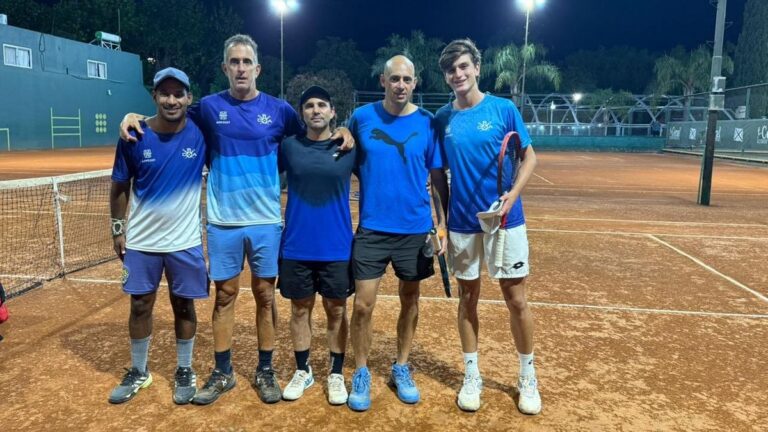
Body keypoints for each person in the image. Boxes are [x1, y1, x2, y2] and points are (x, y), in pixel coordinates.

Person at [120, 34, 353, 406]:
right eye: (235, 62)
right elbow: (168, 114)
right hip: (223, 222)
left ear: (257, 68)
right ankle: (223, 371)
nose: (241, 68)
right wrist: (134, 116)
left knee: (265, 296)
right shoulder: (208, 108)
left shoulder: (279, 111)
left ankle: (265, 370)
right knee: (225, 296)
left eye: (247, 62)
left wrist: (342, 130)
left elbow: (315, 135)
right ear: (225, 68)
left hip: (265, 222)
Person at [435, 39, 541, 415]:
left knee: (516, 299)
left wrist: (512, 195)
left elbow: (528, 157)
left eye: (464, 66)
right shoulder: (442, 119)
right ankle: (471, 374)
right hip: (463, 224)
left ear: (477, 68)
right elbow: (438, 179)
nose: (458, 75)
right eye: (451, 70)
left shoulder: (503, 109)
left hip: (506, 221)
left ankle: (527, 375)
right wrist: (443, 225)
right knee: (467, 299)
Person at [346, 55, 448, 412]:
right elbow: (344, 156)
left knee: (411, 301)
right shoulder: (361, 118)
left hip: (415, 229)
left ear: (415, 83)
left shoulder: (428, 122)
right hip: (373, 228)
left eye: (407, 79)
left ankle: (401, 366)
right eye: (394, 79)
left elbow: (437, 179)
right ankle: (360, 370)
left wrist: (443, 222)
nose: (400, 85)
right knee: (362, 305)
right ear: (382, 80)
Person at [108, 67, 208, 405]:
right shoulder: (134, 135)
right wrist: (118, 228)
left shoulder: (201, 131)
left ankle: (184, 369)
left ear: (189, 98)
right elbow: (120, 185)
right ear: (154, 97)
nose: (171, 99)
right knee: (140, 306)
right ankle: (139, 371)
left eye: (178, 93)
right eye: (164, 93)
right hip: (142, 242)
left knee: (184, 306)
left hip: (184, 241)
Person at [278, 85, 355, 405]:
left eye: (322, 104)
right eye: (309, 105)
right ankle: (303, 370)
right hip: (296, 246)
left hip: (337, 247)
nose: (315, 110)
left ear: (333, 112)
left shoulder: (350, 147)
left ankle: (336, 373)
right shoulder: (288, 147)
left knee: (336, 310)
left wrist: (348, 132)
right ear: (302, 113)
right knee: (299, 310)